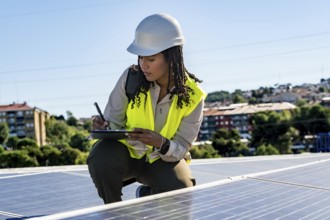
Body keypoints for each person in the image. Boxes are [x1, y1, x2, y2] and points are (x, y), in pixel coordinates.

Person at [87, 13, 206, 204]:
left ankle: (148, 194)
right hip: (128, 154)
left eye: (151, 59)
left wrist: (161, 142)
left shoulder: (193, 96)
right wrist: (105, 127)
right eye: (141, 57)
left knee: (182, 187)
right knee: (100, 156)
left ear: (172, 56)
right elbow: (114, 121)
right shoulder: (130, 78)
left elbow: (182, 146)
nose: (143, 65)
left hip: (162, 158)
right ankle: (114, 211)